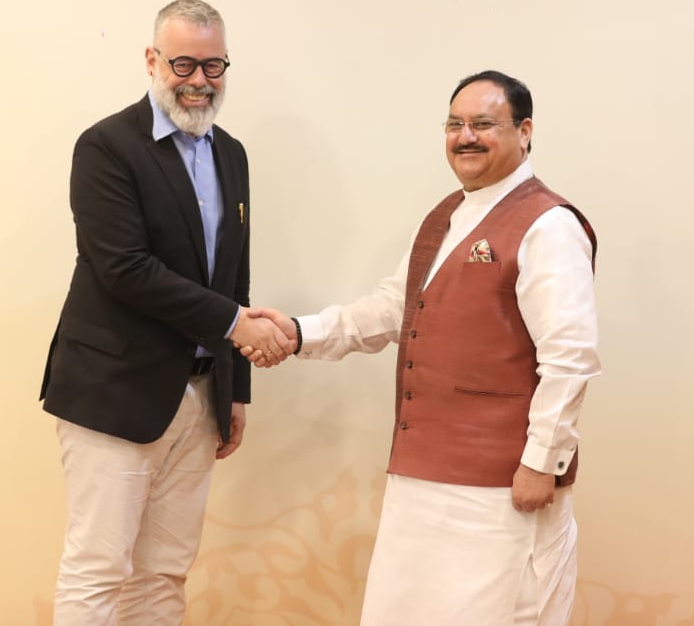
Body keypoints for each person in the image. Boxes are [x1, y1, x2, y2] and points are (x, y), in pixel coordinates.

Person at [247, 70, 600, 625]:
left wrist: (541, 463)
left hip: (501, 485)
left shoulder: (549, 225)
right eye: (455, 124)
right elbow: (393, 308)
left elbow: (571, 357)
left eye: (484, 124)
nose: (466, 137)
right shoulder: (446, 216)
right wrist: (298, 333)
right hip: (420, 477)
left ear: (525, 131)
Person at [39, 0, 292, 625]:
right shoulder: (105, 147)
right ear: (152, 60)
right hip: (115, 392)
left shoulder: (231, 153)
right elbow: (125, 269)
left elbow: (236, 275)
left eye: (214, 66)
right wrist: (238, 327)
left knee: (165, 570)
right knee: (99, 568)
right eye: (184, 65)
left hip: (201, 398)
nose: (200, 82)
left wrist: (235, 388)